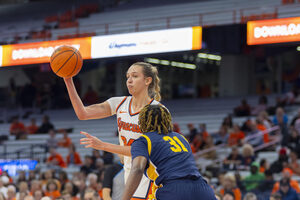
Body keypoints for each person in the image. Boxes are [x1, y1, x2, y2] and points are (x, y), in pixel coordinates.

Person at [68, 62, 162, 199]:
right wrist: (68, 80)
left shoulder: (157, 110)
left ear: (148, 80)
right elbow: (83, 113)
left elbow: (146, 151)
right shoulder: (119, 103)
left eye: (135, 76)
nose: (129, 80)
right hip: (130, 170)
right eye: (127, 76)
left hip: (149, 171)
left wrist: (102, 145)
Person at [121, 104, 216, 200]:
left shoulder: (143, 141)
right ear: (167, 120)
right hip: (202, 188)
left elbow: (137, 169)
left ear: (142, 122)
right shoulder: (180, 138)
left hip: (173, 190)